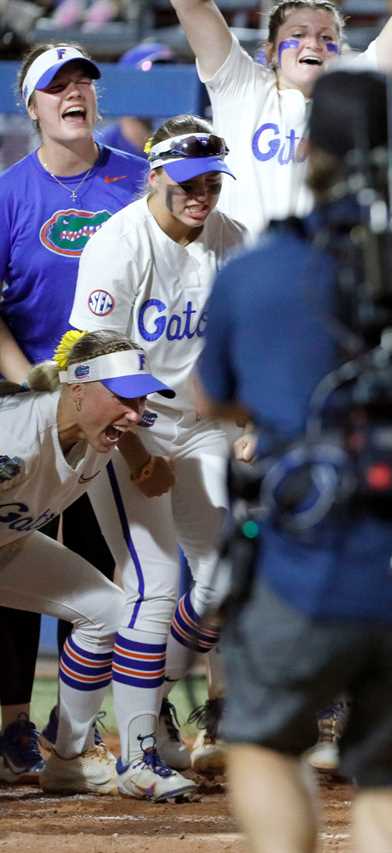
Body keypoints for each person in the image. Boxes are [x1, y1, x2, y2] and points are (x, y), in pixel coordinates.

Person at [197, 69, 392, 853]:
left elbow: (211, 400)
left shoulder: (257, 271)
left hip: (306, 560)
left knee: (264, 743)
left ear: (308, 154)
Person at [69, 115, 247, 787]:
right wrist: (137, 449)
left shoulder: (231, 238)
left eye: (210, 182)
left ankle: (108, 724)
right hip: (117, 421)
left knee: (222, 577)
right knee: (152, 584)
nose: (201, 195)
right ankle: (136, 750)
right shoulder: (120, 243)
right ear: (154, 177)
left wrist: (246, 416)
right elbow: (89, 361)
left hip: (200, 425)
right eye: (186, 183)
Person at [0, 42, 146, 784]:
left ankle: (84, 721)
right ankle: (13, 721)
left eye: (85, 81)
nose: (75, 93)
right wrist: (27, 375)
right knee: (14, 554)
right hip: (29, 409)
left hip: (116, 403)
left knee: (102, 560)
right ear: (32, 106)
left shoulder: (136, 179)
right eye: (57, 86)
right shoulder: (7, 194)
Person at [0, 329, 189, 801]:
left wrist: (146, 465)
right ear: (77, 389)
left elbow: (129, 440)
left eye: (142, 400)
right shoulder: (13, 442)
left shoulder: (97, 427)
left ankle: (66, 760)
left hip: (10, 544)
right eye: (125, 398)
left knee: (107, 611)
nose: (136, 413)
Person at [170, 0, 392, 235]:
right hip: (240, 265)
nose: (313, 44)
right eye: (298, 35)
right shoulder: (240, 85)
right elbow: (193, 5)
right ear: (270, 52)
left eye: (326, 37)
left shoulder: (357, 93)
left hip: (327, 267)